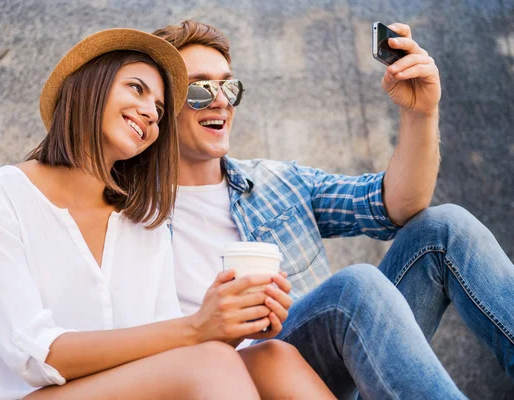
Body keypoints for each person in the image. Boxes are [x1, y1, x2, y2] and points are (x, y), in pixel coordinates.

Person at [0, 28, 336, 399]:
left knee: (272, 356)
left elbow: (163, 350)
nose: (149, 111)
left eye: (160, 109)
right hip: (14, 393)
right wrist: (198, 327)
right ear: (88, 88)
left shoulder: (144, 219)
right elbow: (35, 356)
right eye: (136, 88)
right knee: (210, 361)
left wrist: (232, 324)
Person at [154, 20, 514, 398]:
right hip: (234, 381)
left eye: (228, 85)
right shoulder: (127, 215)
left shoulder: (278, 182)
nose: (221, 100)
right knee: (353, 289)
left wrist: (420, 113)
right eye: (199, 88)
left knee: (445, 228)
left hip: (337, 368)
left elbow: (394, 204)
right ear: (161, 103)